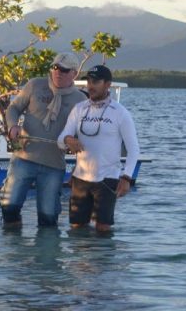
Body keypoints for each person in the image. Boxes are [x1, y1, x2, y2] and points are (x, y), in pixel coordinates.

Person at [0, 52, 88, 227]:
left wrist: (74, 149)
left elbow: (83, 135)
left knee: (48, 217)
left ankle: (45, 252)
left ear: (74, 74)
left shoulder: (81, 100)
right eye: (55, 67)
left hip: (54, 165)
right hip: (23, 158)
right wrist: (13, 126)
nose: (58, 72)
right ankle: (13, 248)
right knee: (9, 206)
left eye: (64, 70)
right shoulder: (34, 85)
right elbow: (13, 108)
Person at [57, 65, 140, 232]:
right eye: (88, 81)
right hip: (80, 179)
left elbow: (134, 149)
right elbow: (60, 139)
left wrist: (126, 178)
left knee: (103, 230)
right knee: (76, 229)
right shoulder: (79, 109)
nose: (90, 86)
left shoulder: (120, 112)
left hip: (107, 179)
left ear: (107, 84)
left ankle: (102, 259)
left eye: (95, 82)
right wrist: (68, 139)